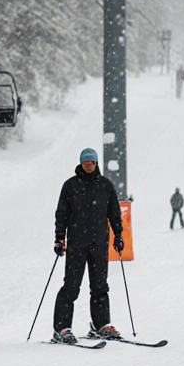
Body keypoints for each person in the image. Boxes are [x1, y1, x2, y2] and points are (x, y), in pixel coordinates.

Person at [52, 147, 125, 344]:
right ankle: (62, 328)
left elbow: (114, 213)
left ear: (96, 163)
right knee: (71, 286)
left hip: (99, 243)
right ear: (81, 163)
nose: (88, 165)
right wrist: (60, 238)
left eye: (91, 162)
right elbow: (62, 214)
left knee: (100, 286)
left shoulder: (105, 185)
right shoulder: (70, 186)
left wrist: (118, 235)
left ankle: (101, 325)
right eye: (85, 162)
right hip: (77, 244)